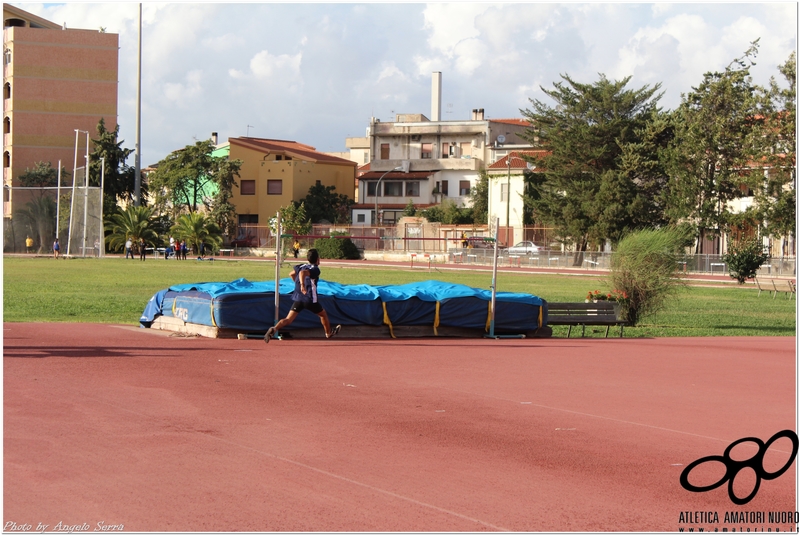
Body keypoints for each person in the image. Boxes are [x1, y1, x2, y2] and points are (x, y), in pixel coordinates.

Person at [264, 248, 341, 343]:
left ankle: (274, 329)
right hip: (309, 299)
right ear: (318, 259)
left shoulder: (302, 266)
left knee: (288, 319)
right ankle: (328, 333)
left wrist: (297, 284)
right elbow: (302, 273)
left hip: (298, 298)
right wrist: (302, 286)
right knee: (323, 314)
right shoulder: (315, 269)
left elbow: (292, 274)